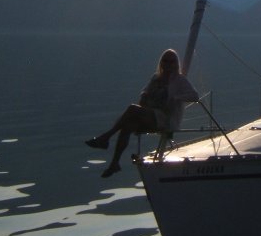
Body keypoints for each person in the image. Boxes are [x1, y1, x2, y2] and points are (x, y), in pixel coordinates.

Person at [85, 49, 199, 177]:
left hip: (165, 118)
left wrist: (176, 97)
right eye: (165, 61)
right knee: (127, 125)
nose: (168, 64)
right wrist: (145, 96)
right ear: (161, 62)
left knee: (132, 108)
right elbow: (145, 92)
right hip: (151, 115)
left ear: (176, 64)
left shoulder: (180, 80)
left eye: (171, 61)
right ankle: (114, 163)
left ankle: (106, 137)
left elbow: (195, 96)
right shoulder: (156, 78)